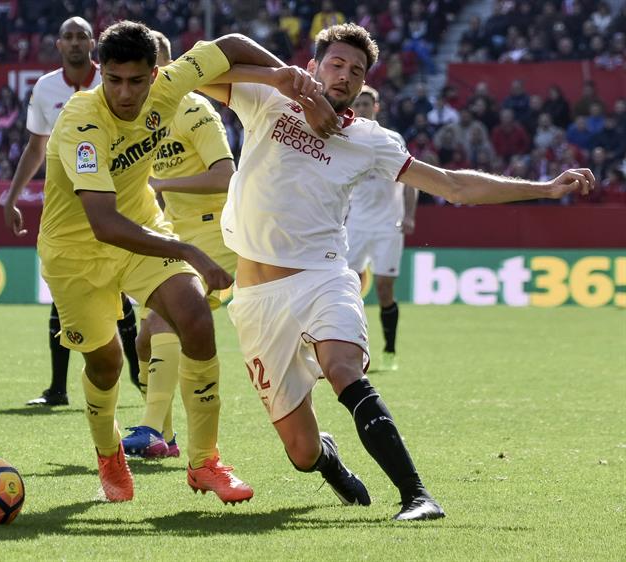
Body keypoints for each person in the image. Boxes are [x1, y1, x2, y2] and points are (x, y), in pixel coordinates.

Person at [201, 23, 593, 520]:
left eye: (356, 71)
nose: (344, 77)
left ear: (365, 84)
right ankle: (328, 460)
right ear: (315, 64)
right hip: (256, 300)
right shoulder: (269, 98)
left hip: (322, 278)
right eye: (336, 64)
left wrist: (544, 189)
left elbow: (453, 185)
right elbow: (202, 68)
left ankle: (417, 495)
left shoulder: (370, 140)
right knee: (301, 453)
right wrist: (278, 77)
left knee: (343, 370)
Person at [38, 20, 323, 503]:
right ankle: (109, 454)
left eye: (135, 80)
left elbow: (230, 45)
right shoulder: (79, 123)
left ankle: (204, 462)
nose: (124, 93)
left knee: (194, 319)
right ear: (99, 72)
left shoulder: (171, 88)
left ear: (156, 74)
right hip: (76, 252)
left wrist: (285, 81)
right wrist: (189, 250)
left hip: (142, 230)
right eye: (113, 79)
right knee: (105, 365)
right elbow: (103, 222)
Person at [2, 17, 141, 408]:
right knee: (65, 295)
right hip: (67, 203)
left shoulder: (113, 80)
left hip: (112, 197)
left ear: (93, 43)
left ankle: (137, 375)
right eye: (69, 36)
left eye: (82, 36)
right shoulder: (46, 88)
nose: (76, 42)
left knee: (118, 291)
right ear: (58, 44)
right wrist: (12, 195)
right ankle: (58, 389)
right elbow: (36, 146)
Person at [120, 31, 237, 459]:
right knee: (144, 342)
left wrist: (163, 182)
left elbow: (227, 174)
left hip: (215, 231)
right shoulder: (132, 120)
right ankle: (166, 439)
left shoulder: (193, 109)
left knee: (165, 320)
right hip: (171, 231)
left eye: (161, 70)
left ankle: (151, 428)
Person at [345, 85, 418, 372]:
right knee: (346, 287)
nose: (362, 108)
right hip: (356, 225)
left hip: (389, 225)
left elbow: (411, 179)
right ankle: (354, 348)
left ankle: (389, 349)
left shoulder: (393, 139)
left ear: (376, 108)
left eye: (367, 104)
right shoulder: (346, 138)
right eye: (358, 103)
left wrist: (409, 216)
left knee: (385, 289)